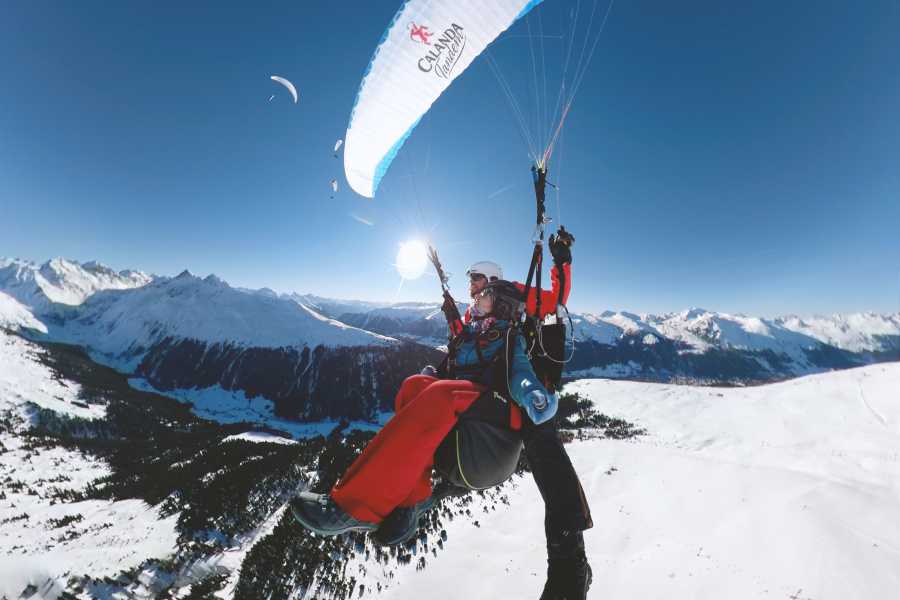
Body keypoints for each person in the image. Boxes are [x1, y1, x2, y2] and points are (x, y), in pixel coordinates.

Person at [290, 280, 558, 541]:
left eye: (486, 294)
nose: (478, 297)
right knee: (414, 386)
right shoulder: (476, 333)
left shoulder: (510, 336)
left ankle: (355, 506)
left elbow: (520, 371)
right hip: (474, 405)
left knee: (441, 394)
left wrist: (531, 391)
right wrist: (434, 373)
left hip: (499, 420)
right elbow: (456, 365)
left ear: (501, 305)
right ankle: (411, 499)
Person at [450, 228, 594, 600]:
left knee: (548, 459)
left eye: (475, 278)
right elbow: (471, 345)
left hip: (522, 383)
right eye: (470, 280)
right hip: (491, 386)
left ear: (491, 278)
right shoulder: (474, 310)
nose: (471, 285)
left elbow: (557, 299)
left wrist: (560, 259)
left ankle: (570, 564)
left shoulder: (514, 293)